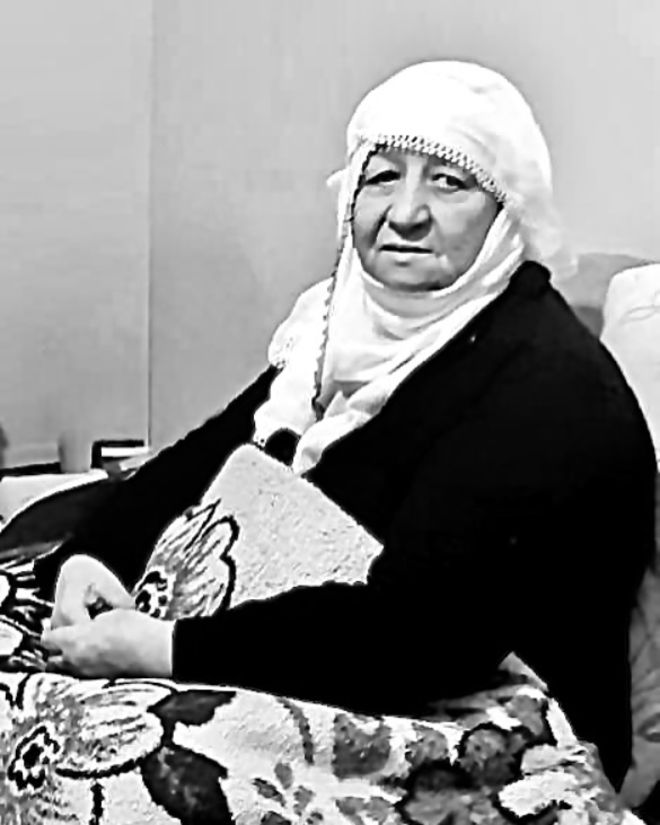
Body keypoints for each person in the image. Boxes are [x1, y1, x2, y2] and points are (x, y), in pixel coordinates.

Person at [37, 61, 656, 789]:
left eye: (449, 182)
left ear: (505, 212)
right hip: (304, 664)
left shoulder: (548, 383)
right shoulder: (336, 327)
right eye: (382, 176)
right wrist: (95, 555)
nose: (406, 212)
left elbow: (419, 632)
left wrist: (161, 647)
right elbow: (212, 455)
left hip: (487, 734)